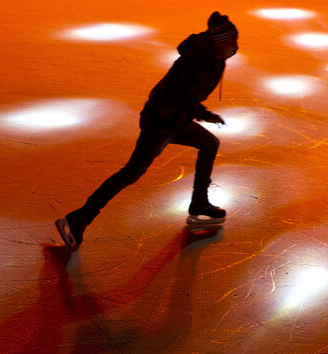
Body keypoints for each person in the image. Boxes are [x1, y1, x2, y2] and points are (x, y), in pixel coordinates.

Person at [55, 11, 239, 248]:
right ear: (220, 42)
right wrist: (204, 114)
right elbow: (175, 94)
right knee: (132, 172)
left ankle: (199, 203)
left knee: (209, 144)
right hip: (159, 122)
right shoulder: (193, 61)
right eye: (232, 42)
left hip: (176, 120)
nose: (235, 47)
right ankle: (81, 216)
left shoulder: (215, 57)